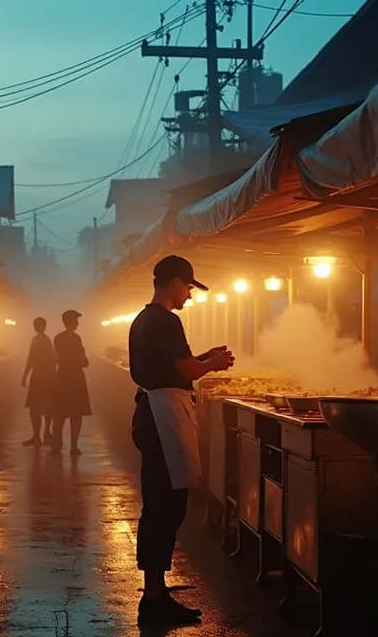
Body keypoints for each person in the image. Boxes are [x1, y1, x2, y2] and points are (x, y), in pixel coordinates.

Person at [129, 255, 234, 624]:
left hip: (152, 413)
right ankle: (154, 598)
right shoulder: (166, 320)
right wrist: (212, 365)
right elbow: (186, 370)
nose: (189, 295)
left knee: (158, 504)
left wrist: (203, 358)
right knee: (165, 507)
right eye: (188, 287)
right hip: (163, 417)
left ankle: (155, 591)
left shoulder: (143, 319)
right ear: (175, 282)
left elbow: (176, 363)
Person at [51, 309, 91, 455]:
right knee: (76, 414)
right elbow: (84, 362)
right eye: (76, 320)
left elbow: (56, 358)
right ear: (71, 322)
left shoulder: (57, 338)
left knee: (59, 413)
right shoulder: (76, 338)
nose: (78, 323)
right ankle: (74, 447)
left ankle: (56, 444)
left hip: (61, 377)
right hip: (75, 378)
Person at [21, 317, 57, 447]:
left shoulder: (36, 340)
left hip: (38, 377)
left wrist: (25, 375)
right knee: (48, 406)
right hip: (49, 377)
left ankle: (37, 435)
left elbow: (31, 359)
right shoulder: (48, 341)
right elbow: (54, 359)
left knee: (35, 408)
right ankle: (47, 432)